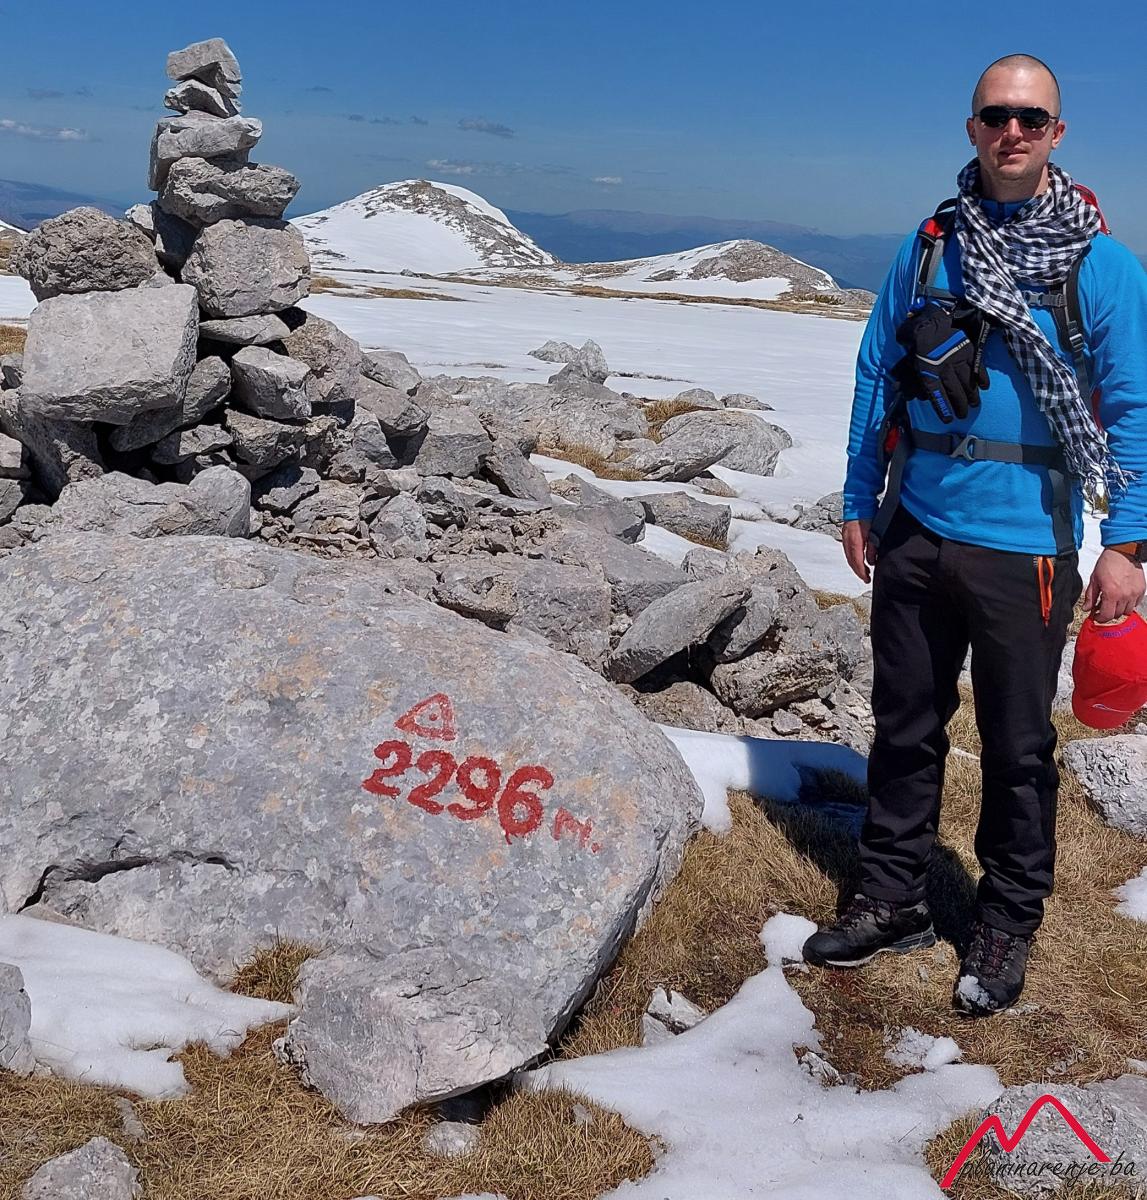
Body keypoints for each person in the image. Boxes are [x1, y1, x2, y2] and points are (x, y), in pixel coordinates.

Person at [801, 54, 1147, 1016]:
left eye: (1030, 119)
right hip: (917, 524)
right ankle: (892, 896)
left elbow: (1134, 410)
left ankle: (1005, 918)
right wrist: (859, 498)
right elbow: (877, 371)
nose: (1011, 132)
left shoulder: (1100, 267)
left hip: (1025, 542)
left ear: (1056, 134)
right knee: (904, 722)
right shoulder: (930, 248)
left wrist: (1127, 547)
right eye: (996, 115)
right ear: (971, 128)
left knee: (1017, 743)